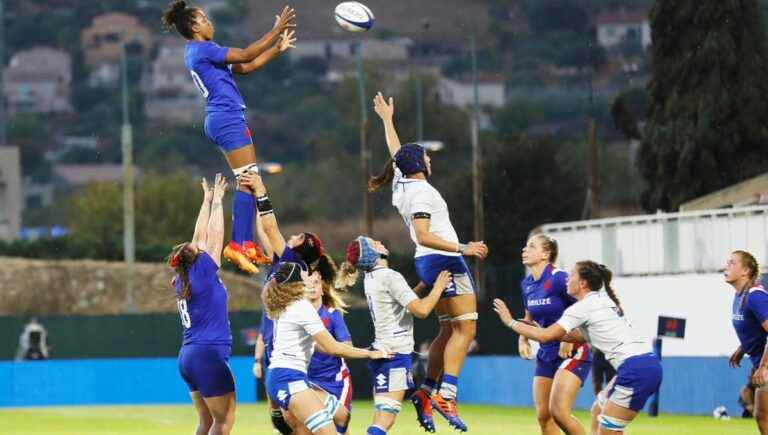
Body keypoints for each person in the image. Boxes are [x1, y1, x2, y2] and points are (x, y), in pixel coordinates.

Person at [370, 92, 488, 432]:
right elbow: (422, 234)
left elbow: (397, 155)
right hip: (443, 259)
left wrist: (387, 120)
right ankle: (446, 393)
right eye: (426, 156)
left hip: (430, 262)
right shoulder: (422, 192)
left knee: (449, 329)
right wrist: (464, 247)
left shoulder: (403, 183)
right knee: (467, 328)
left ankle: (425, 391)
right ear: (420, 164)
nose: (430, 160)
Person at [161, 0, 296, 274]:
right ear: (195, 26)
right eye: (205, 19)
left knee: (247, 179)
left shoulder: (198, 52)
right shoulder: (203, 49)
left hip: (220, 119)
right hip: (227, 119)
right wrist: (275, 30)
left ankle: (243, 243)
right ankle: (239, 244)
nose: (210, 22)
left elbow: (244, 67)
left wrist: (276, 49)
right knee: (249, 179)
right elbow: (246, 54)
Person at [494, 260, 663, 435]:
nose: (567, 278)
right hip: (644, 364)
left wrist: (510, 322)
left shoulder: (582, 308)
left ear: (582, 283)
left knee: (608, 431)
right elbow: (577, 336)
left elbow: (545, 337)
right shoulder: (602, 300)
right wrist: (541, 331)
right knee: (597, 410)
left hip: (635, 370)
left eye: (572, 274)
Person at [336, 235, 452, 435]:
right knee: (385, 420)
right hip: (394, 355)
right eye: (374, 243)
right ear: (372, 253)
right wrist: (439, 287)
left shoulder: (373, 277)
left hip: (384, 351)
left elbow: (401, 305)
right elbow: (422, 310)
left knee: (381, 417)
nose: (380, 242)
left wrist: (424, 286)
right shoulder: (389, 276)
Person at [264, 261, 392, 435]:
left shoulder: (286, 305)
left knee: (341, 416)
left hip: (284, 376)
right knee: (327, 431)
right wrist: (369, 353)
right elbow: (333, 348)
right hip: (289, 378)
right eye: (304, 274)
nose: (309, 276)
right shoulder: (302, 308)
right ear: (297, 282)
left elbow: (321, 346)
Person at [170, 174, 238, 435]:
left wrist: (206, 200)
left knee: (206, 422)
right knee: (224, 422)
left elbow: (199, 237)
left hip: (188, 356)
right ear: (195, 257)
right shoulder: (202, 272)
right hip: (207, 354)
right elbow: (214, 236)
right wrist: (219, 201)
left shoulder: (184, 278)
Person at [518, 234, 592, 435]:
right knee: (543, 416)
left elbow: (585, 309)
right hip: (546, 351)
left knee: (559, 412)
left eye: (531, 246)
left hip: (574, 350)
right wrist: (523, 338)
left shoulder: (560, 278)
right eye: (525, 246)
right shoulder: (526, 285)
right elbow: (528, 317)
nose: (525, 250)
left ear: (545, 254)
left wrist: (570, 335)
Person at [727, 250, 768, 433]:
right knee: (762, 416)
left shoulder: (755, 296)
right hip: (759, 360)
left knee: (763, 416)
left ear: (745, 271)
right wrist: (742, 348)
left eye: (732, 263)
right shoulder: (739, 296)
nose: (726, 267)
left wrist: (764, 365)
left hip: (765, 363)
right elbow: (756, 328)